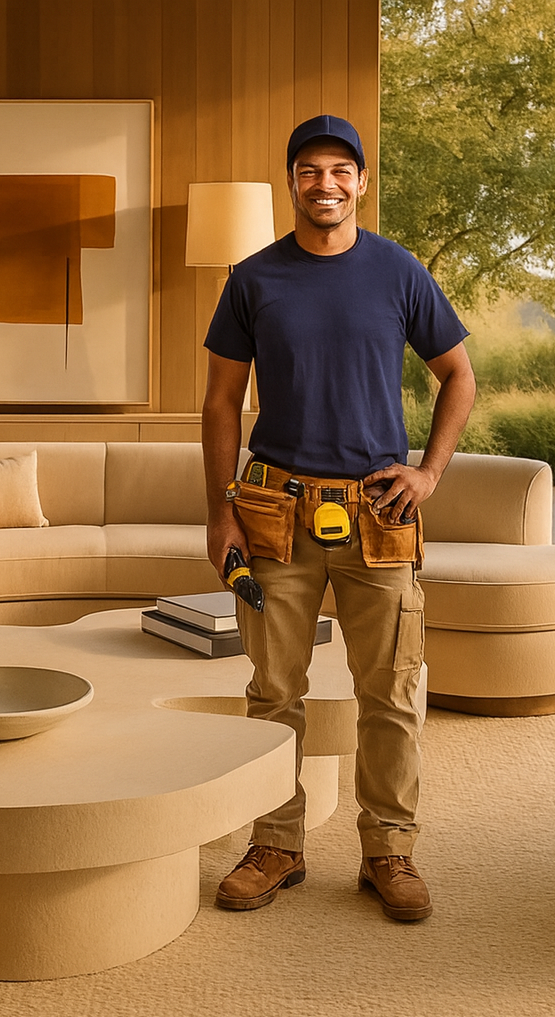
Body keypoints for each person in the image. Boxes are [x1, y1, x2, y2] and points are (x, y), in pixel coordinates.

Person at [200, 114, 476, 921]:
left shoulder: (399, 272)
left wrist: (428, 472)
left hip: (378, 514)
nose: (325, 183)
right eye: (309, 170)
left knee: (389, 691)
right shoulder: (253, 278)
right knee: (273, 691)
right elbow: (220, 401)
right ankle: (277, 845)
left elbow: (458, 375)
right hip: (273, 512)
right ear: (292, 181)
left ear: (361, 181)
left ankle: (389, 851)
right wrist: (222, 513)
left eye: (339, 171)